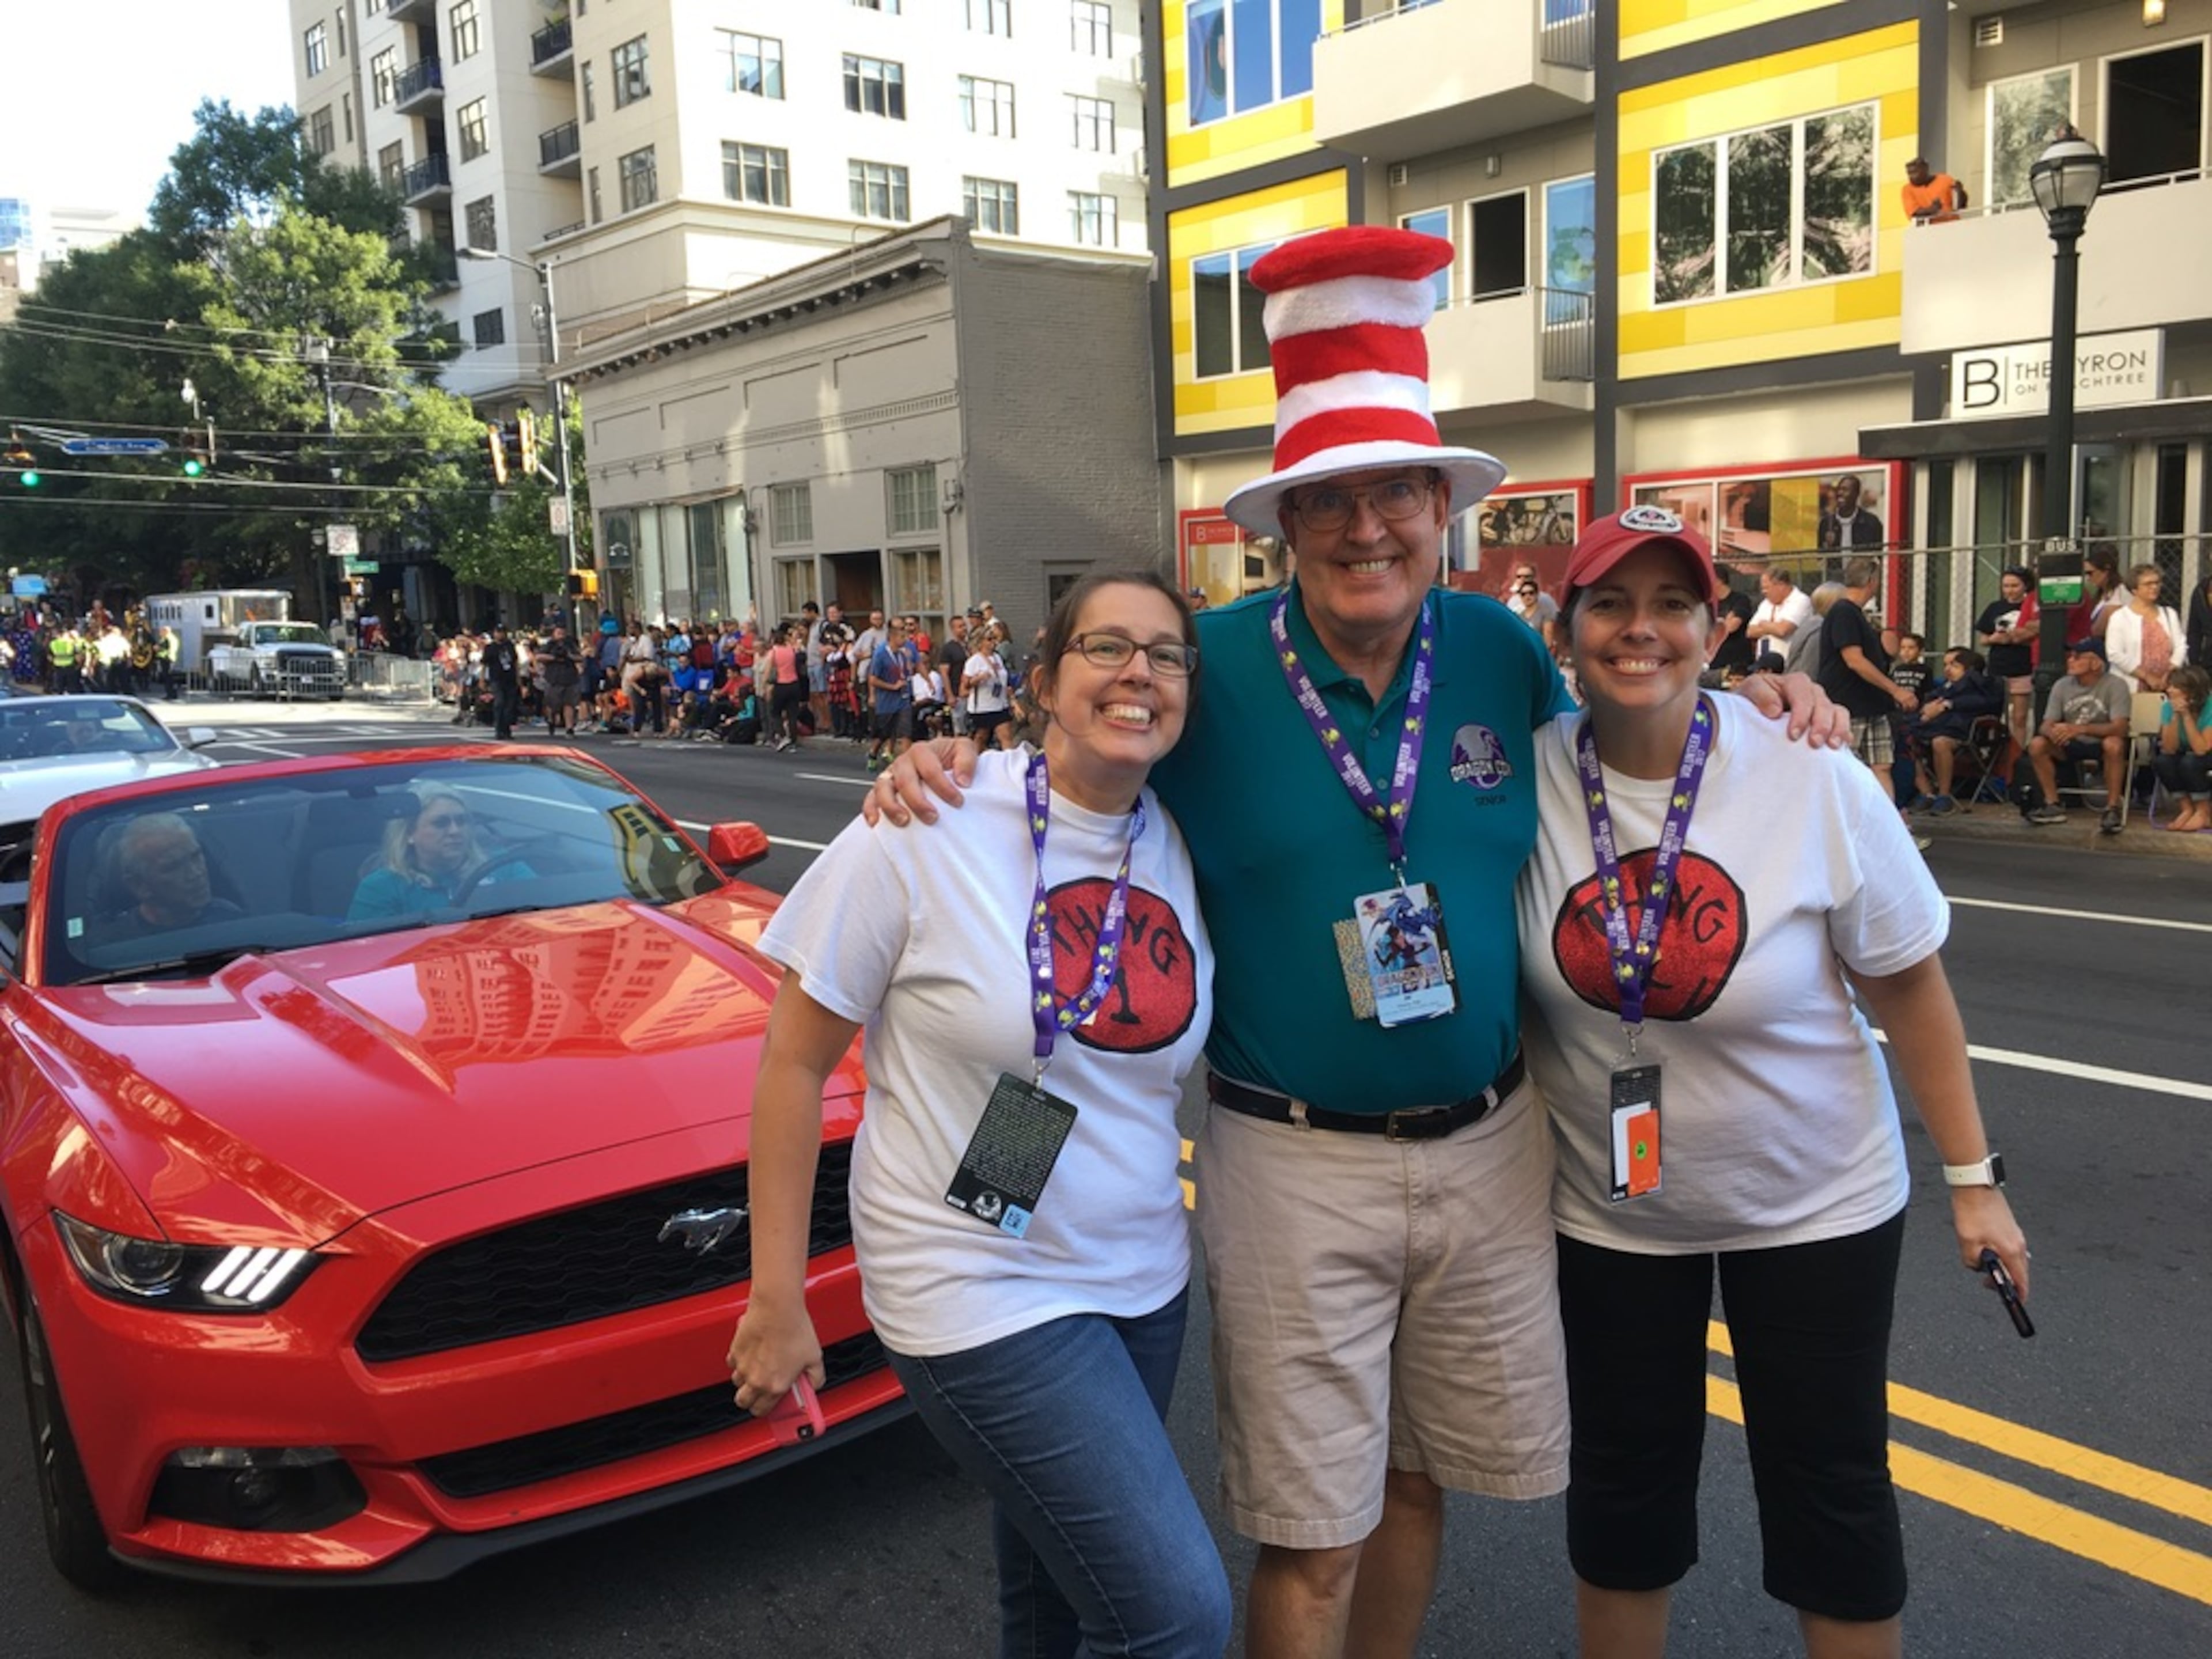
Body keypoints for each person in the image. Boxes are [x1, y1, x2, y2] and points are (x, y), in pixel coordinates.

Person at [866, 227, 1843, 1659]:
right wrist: (941, 756)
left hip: (1489, 1149)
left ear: (1439, 508)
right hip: (1288, 1156)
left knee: (1414, 1479)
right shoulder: (1208, 665)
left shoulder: (1503, 655)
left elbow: (1637, 733)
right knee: (1308, 1530)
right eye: (1329, 498)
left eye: (1396, 491)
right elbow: (1073, 770)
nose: (1365, 525)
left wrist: (1760, 698)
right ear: (1284, 522)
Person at [1514, 507, 2027, 1659]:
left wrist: (1974, 1181)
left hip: (1815, 1203)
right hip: (1611, 1219)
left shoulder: (1810, 773)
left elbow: (1909, 988)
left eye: (1672, 607)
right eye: (1609, 604)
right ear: (1567, 627)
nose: (1639, 630)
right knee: (1624, 1488)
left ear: (1718, 628)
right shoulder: (1525, 778)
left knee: (1831, 1484)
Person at [728, 570, 1229, 1659]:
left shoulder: (1187, 832)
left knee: (1057, 1598)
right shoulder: (927, 819)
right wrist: (776, 1295)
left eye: (1167, 654)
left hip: (1141, 1274)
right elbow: (792, 1063)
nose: (1139, 672)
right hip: (973, 1283)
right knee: (1173, 1616)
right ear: (1040, 680)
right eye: (1106, 647)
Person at [349, 784, 506, 920]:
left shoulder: (503, 867)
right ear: (409, 833)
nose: (455, 831)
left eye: (461, 821)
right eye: (441, 823)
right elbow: (367, 951)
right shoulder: (381, 887)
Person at [2022, 637, 2131, 830]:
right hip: (2070, 744)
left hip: (2101, 742)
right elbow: (2046, 724)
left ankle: (2113, 807)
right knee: (2038, 744)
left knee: (2114, 744)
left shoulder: (2116, 685)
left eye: (2078, 657)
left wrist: (2081, 729)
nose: (2070, 660)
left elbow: (2120, 728)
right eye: (2070, 656)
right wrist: (2055, 732)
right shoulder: (2062, 685)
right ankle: (2052, 804)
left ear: (2097, 663)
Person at [101, 813, 244, 938]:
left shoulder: (230, 918)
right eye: (173, 867)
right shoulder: (109, 944)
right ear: (139, 885)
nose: (195, 873)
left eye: (196, 856)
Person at [1907, 647, 2005, 815]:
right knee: (1906, 738)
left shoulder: (1981, 685)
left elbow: (1985, 703)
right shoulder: (1945, 688)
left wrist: (1948, 705)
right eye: (1946, 665)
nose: (1947, 669)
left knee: (1940, 742)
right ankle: (1927, 792)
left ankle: (1944, 796)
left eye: (1954, 665)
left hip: (1965, 733)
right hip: (1934, 727)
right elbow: (1931, 701)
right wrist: (1927, 711)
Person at [1976, 566, 2040, 758]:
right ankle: (1994, 754)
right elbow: (1983, 639)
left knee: (2019, 716)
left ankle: (2017, 754)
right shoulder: (1995, 608)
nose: (2010, 590)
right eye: (2006, 586)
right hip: (1998, 666)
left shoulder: (2032, 607)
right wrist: (1994, 639)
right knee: (1995, 714)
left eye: (2015, 586)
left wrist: (2018, 638)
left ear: (2025, 586)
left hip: (2022, 666)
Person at [2103, 562, 2186, 695]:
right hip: (2131, 687)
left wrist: (2171, 672)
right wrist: (2147, 677)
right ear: (2134, 590)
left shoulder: (2169, 614)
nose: (2154, 587)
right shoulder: (2120, 618)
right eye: (2148, 584)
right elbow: (2115, 654)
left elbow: (2181, 645)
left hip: (2168, 686)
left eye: (2157, 583)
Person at [2153, 664, 2212, 831]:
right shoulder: (2168, 707)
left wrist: (2187, 717)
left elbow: (2202, 749)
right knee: (2163, 762)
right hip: (2187, 753)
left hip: (2206, 753)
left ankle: (2203, 811)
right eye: (2170, 685)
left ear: (2192, 692)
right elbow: (2170, 749)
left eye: (2176, 687)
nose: (2169, 690)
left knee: (2191, 762)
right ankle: (2186, 809)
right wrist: (2175, 716)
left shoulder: (2210, 707)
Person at [1745, 565, 1813, 662]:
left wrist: (1764, 624)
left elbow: (1782, 630)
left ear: (1781, 586)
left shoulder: (1800, 601)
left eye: (1767, 588)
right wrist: (1773, 627)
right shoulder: (1766, 603)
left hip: (1789, 663)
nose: (1763, 592)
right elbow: (1750, 632)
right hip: (1764, 663)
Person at [1816, 474, 1883, 552]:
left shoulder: (1871, 522)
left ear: (1856, 494)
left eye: (1845, 490)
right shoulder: (1826, 523)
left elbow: (1878, 553)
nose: (1840, 493)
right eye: (1838, 489)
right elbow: (1821, 555)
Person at [482, 623, 521, 741]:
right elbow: (484, 664)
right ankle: (499, 730)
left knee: (510, 706)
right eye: (498, 632)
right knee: (499, 703)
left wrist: (519, 679)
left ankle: (507, 730)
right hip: (496, 678)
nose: (500, 634)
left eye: (502, 632)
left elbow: (515, 663)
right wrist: (482, 679)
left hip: (510, 678)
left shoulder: (509, 646)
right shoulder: (490, 648)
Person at [1900, 156, 1966, 224]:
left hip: (1952, 225)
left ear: (1925, 169)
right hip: (1928, 230)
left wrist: (1960, 192)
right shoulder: (1907, 190)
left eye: (1915, 172)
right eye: (1910, 173)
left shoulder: (1945, 180)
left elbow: (1960, 207)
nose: (1912, 176)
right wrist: (1932, 209)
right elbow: (1914, 213)